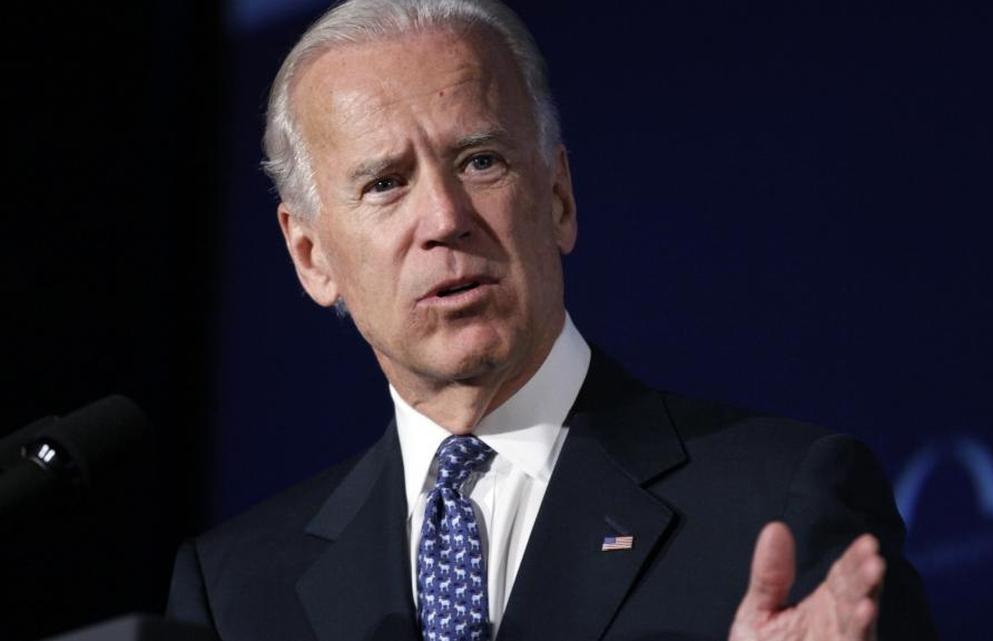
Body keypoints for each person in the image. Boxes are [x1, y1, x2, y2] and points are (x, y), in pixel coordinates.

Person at [167, 1, 937, 640]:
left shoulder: (780, 500)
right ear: (311, 256)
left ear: (559, 197)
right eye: (386, 182)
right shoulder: (235, 595)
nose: (444, 217)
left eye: (480, 161)